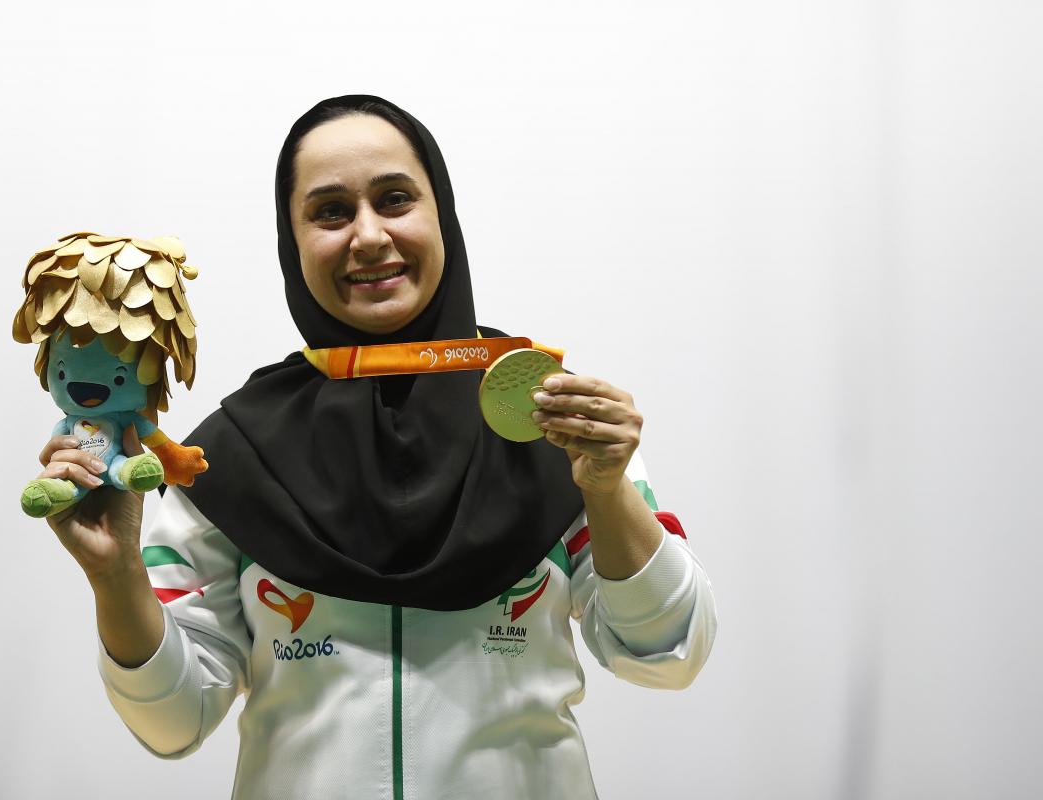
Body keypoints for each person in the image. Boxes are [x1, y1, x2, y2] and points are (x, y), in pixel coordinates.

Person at [36, 95, 717, 799]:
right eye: (330, 211)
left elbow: (667, 654)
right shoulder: (231, 456)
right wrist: (113, 578)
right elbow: (173, 723)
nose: (368, 235)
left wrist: (605, 491)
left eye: (395, 199)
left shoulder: (550, 418)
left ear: (442, 215)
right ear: (291, 240)